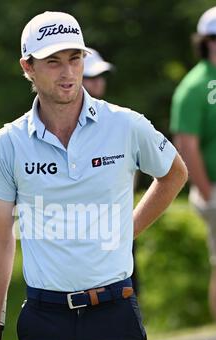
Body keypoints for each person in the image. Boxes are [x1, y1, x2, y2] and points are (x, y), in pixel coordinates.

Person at [0, 11, 188, 340]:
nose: (68, 71)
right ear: (28, 68)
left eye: (75, 58)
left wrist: (128, 228)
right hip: (45, 321)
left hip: (114, 313)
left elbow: (173, 174)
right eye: (54, 61)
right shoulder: (9, 142)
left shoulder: (125, 125)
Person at [170, 7, 216, 321]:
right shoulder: (194, 86)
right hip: (213, 188)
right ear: (206, 42)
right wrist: (208, 193)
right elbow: (186, 145)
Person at [83, 49, 139, 295]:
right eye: (91, 77)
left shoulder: (118, 120)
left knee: (129, 290)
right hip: (83, 228)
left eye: (101, 77)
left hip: (118, 219)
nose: (98, 83)